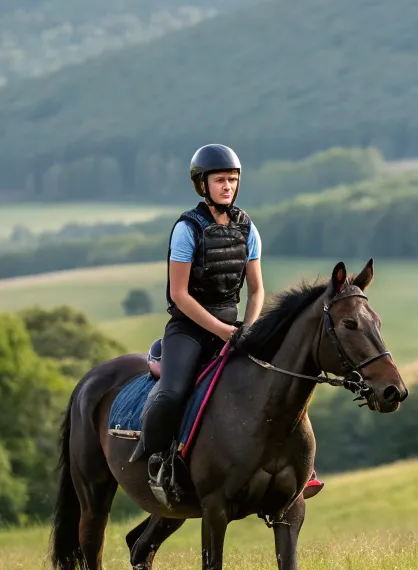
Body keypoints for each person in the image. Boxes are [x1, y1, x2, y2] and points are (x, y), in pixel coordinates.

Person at [132, 144, 323, 497]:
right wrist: (223, 331)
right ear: (202, 185)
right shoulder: (187, 229)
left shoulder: (247, 228)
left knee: (278, 383)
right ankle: (159, 464)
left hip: (235, 329)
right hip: (189, 330)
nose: (228, 187)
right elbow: (179, 295)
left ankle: (301, 465)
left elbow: (256, 290)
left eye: (233, 181)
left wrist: (248, 329)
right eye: (220, 180)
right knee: (172, 394)